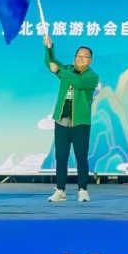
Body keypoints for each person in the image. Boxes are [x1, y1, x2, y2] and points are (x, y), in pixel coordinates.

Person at [44, 35, 99, 203]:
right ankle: (60, 190)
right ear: (74, 57)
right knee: (61, 158)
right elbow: (51, 63)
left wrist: (59, 71)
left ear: (90, 60)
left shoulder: (91, 76)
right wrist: (49, 47)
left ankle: (83, 190)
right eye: (78, 55)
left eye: (85, 56)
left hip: (80, 123)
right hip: (61, 120)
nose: (80, 58)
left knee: (81, 157)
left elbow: (77, 81)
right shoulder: (67, 70)